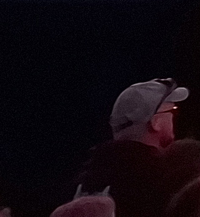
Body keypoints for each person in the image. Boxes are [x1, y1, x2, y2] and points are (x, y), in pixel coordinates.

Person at [75, 81, 187, 217]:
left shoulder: (83, 182)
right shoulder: (167, 184)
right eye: (173, 111)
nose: (175, 118)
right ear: (155, 122)